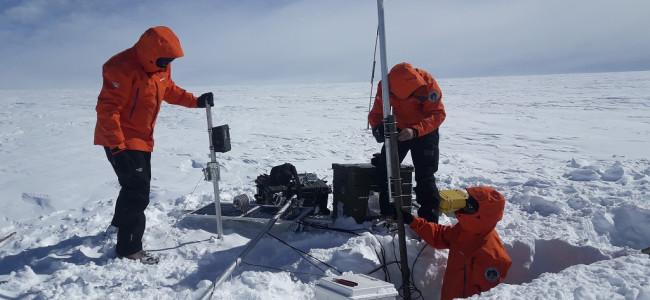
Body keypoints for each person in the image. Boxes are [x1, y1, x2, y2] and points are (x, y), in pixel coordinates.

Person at [94, 26, 214, 264]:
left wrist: (195, 101)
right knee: (137, 192)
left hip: (143, 139)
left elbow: (168, 88)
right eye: (164, 59)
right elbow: (108, 110)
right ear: (149, 53)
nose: (167, 63)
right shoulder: (121, 67)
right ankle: (129, 249)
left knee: (132, 185)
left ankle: (119, 225)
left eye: (170, 60)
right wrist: (117, 148)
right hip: (119, 138)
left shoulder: (160, 67)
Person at [395, 186, 512, 300]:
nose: (464, 206)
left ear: (482, 214)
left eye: (469, 205)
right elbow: (439, 235)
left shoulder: (491, 255)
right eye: (466, 202)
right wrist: (412, 220)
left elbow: (490, 296)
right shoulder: (464, 230)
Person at [368, 62, 446, 223]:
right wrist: (378, 128)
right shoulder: (385, 86)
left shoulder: (428, 84)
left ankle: (429, 221)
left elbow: (438, 114)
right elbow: (376, 113)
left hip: (425, 131)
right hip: (398, 129)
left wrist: (415, 130)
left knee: (425, 176)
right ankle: (388, 213)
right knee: (385, 168)